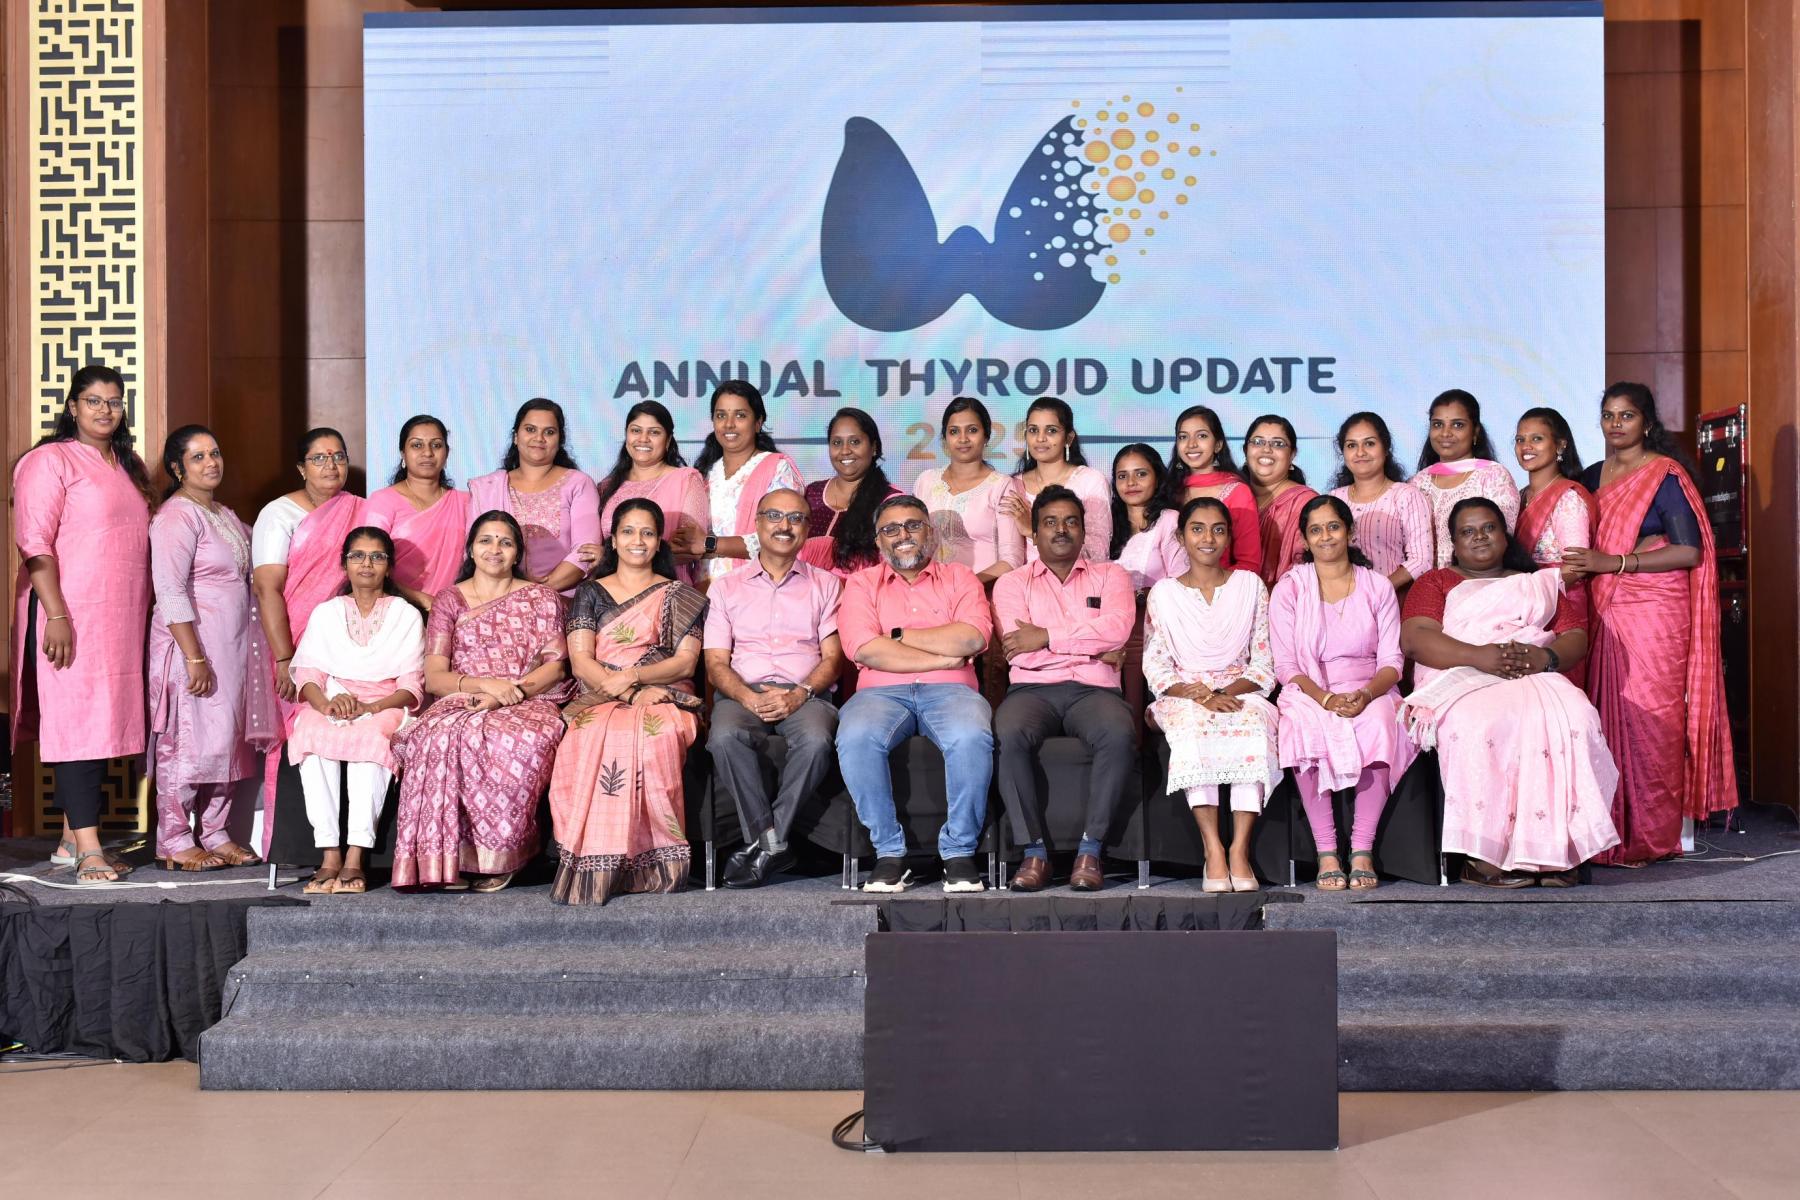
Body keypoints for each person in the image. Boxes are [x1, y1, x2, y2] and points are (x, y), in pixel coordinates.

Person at [1400, 497, 1620, 886]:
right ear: (1454, 543)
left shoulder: (1535, 583)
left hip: (1533, 673)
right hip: (1461, 674)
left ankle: (1557, 853)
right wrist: (1480, 656)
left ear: (1505, 536)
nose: (1479, 537)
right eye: (1467, 531)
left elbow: (1574, 635)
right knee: (1482, 724)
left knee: (1576, 715)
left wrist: (1545, 657)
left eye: (1489, 528)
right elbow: (1416, 639)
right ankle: (1484, 857)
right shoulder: (1435, 581)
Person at [1564, 382, 1737, 865]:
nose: (1616, 424)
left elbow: (1688, 551)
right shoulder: (1592, 477)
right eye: (1608, 415)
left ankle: (1652, 836)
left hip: (1655, 611)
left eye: (1627, 415)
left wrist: (1617, 563)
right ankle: (1608, 833)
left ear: (1647, 422)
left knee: (1651, 719)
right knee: (1605, 717)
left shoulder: (1664, 475)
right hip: (1604, 608)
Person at [12, 364, 154, 883]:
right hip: (68, 614)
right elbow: (35, 543)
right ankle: (90, 851)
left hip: (119, 619)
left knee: (102, 724)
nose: (105, 410)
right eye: (93, 400)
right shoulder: (48, 460)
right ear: (73, 407)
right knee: (77, 723)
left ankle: (70, 839)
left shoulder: (128, 465)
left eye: (114, 401)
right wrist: (55, 613)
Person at [390, 512, 570, 891]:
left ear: (518, 553)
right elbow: (435, 677)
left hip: (528, 698)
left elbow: (555, 667)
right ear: (471, 549)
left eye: (506, 542)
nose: (495, 549)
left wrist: (511, 693)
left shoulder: (542, 598)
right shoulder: (449, 600)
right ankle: (443, 860)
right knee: (433, 737)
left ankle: (502, 857)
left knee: (515, 741)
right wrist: (484, 688)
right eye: (486, 540)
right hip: (463, 699)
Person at [549, 499, 707, 905]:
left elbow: (685, 662)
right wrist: (629, 691)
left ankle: (652, 864)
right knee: (584, 738)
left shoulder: (679, 595)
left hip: (665, 693)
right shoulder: (590, 591)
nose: (638, 540)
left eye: (647, 533)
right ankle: (597, 863)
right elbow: (581, 661)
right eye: (629, 532)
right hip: (599, 695)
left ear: (658, 543)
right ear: (614, 541)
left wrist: (635, 677)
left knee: (655, 737)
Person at [836, 496, 995, 893]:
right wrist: (943, 657)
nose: (902, 535)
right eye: (890, 529)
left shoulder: (960, 578)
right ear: (878, 541)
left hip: (952, 691)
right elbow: (863, 648)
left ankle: (958, 851)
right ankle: (889, 853)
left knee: (971, 736)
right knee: (855, 737)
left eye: (912, 525)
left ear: (930, 532)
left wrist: (898, 635)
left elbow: (972, 637)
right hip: (880, 694)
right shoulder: (861, 584)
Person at [991, 486, 1136, 891]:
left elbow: (1117, 629)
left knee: (1118, 733)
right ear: (1034, 532)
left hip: (1094, 691)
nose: (1061, 530)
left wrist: (1046, 637)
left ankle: (1091, 851)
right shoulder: (1012, 583)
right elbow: (1018, 649)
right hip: (1032, 690)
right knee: (1006, 733)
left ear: (1083, 531)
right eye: (1050, 522)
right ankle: (1033, 852)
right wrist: (1092, 647)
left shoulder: (1111, 575)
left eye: (1071, 522)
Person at [1268, 496, 1413, 891]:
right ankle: (1327, 852)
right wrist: (1325, 699)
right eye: (1315, 530)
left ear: (1349, 532)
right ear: (1304, 539)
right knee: (1301, 725)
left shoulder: (1377, 586)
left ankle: (1362, 849)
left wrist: (1365, 695)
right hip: (1310, 688)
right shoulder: (1291, 589)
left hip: (1370, 686)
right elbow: (1286, 666)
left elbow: (1392, 661)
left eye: (1333, 526)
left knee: (1382, 723)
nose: (1326, 536)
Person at [148, 425, 275, 872]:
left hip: (232, 650)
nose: (211, 462)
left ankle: (216, 832)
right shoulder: (176, 517)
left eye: (215, 453)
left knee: (225, 742)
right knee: (186, 743)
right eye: (198, 456)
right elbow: (169, 590)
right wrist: (193, 657)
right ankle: (174, 839)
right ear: (177, 468)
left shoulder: (223, 513)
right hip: (192, 648)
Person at [704, 488, 845, 888]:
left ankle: (767, 842)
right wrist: (748, 697)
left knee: (816, 740)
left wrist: (799, 693)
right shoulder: (726, 587)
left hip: (805, 693)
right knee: (725, 737)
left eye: (796, 518)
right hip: (742, 692)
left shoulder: (825, 584)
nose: (785, 526)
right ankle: (772, 841)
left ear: (807, 529)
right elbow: (716, 662)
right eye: (775, 516)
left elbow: (833, 658)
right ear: (758, 524)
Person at [1144, 497, 1279, 892]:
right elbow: (1156, 665)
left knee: (1252, 721)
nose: (1208, 538)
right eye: (1197, 529)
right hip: (1184, 694)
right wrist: (1201, 696)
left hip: (1240, 689)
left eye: (1218, 530)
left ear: (1229, 537)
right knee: (1192, 726)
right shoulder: (1163, 593)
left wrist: (1224, 692)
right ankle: (1213, 849)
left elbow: (1263, 661)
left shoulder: (1250, 586)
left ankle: (1239, 848)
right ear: (1181, 537)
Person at [287, 528, 424, 895]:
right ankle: (329, 853)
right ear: (344, 564)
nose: (367, 564)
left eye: (377, 556)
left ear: (389, 566)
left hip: (384, 704)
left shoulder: (406, 615)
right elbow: (308, 675)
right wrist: (326, 704)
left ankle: (355, 854)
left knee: (370, 738)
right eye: (358, 556)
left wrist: (371, 707)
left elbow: (411, 685)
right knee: (310, 733)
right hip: (332, 699)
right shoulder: (327, 612)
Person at [253, 427, 365, 854]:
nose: (330, 465)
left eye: (338, 456)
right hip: (294, 642)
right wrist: (286, 659)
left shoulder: (359, 509)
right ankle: (289, 845)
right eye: (319, 458)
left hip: (349, 642)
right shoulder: (279, 513)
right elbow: (267, 588)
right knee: (295, 735)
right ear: (301, 468)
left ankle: (350, 841)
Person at [467, 398, 602, 592]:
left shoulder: (578, 484)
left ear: (560, 440)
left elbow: (586, 552)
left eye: (549, 432)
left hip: (562, 597)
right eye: (530, 429)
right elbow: (473, 548)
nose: (539, 438)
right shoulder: (487, 488)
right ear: (516, 437)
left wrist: (539, 593)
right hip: (495, 596)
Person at [678, 380, 803, 584]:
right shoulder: (704, 473)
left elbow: (783, 535)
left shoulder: (778, 468)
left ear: (758, 422)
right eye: (721, 415)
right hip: (703, 592)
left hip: (757, 590)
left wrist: (709, 544)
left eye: (740, 415)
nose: (729, 424)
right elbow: (691, 542)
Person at [1514, 407, 1596, 684]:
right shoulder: (1518, 496)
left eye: (1536, 439)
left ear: (1560, 445)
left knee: (1558, 690)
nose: (1526, 446)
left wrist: (1535, 591)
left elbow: (1577, 567)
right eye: (1520, 439)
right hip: (1523, 608)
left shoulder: (1567, 497)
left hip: (1562, 608)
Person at [363, 414, 472, 611]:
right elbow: (369, 563)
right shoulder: (383, 501)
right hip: (393, 609)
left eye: (436, 445)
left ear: (446, 453)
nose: (427, 453)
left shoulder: (465, 502)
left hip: (453, 611)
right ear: (403, 453)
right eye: (417, 445)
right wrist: (421, 600)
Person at [595, 400, 709, 583]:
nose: (643, 439)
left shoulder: (686, 479)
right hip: (612, 590)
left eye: (654, 432)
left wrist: (618, 557)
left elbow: (689, 548)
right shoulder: (606, 487)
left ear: (668, 440)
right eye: (636, 430)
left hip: (666, 587)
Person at [914, 396, 1025, 582]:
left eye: (972, 430)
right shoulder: (926, 481)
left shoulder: (1002, 486)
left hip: (981, 592)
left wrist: (967, 587)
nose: (963, 439)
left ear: (986, 436)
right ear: (945, 438)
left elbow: (1012, 560)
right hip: (929, 592)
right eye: (954, 431)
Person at [1408, 389, 1520, 568]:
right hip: (1422, 581)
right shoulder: (1416, 483)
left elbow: (1498, 541)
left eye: (1457, 425)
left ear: (1475, 432)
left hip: (1477, 579)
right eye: (1437, 424)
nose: (1445, 433)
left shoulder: (1494, 476)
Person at [1329, 411, 1433, 593]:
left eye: (1369, 443)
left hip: (1392, 599)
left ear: (1386, 448)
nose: (1360, 452)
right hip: (1341, 601)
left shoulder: (1405, 496)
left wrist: (1379, 591)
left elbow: (1421, 561)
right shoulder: (1334, 499)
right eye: (1351, 445)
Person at [1001, 396, 1111, 562]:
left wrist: (1033, 531)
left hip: (1078, 577)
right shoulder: (1011, 485)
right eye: (1033, 430)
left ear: (1068, 438)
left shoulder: (1090, 481)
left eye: (1051, 431)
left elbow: (1097, 553)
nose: (1040, 438)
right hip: (1020, 577)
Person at [1153, 405, 1260, 575]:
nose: (1191, 444)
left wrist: (1210, 584)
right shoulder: (1168, 489)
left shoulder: (1237, 492)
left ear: (1218, 445)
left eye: (1201, 436)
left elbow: (1249, 563)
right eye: (1183, 437)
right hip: (1165, 586)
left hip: (1220, 588)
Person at [801, 407, 902, 576]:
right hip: (803, 589)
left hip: (864, 591)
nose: (845, 450)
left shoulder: (892, 502)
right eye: (837, 443)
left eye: (855, 442)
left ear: (874, 447)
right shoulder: (811, 493)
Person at [1244, 414, 1318, 588]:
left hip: (1289, 599)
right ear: (1245, 450)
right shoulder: (1232, 497)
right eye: (1258, 442)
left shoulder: (1304, 503)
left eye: (1278, 444)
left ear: (1292, 455)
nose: (1266, 449)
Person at [1110, 442, 1185, 590]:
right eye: (1122, 476)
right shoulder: (1108, 523)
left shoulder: (1169, 520)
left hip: (1159, 605)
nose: (1131, 482)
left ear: (1157, 479)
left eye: (1141, 474)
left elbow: (1181, 582)